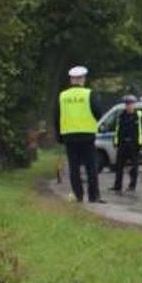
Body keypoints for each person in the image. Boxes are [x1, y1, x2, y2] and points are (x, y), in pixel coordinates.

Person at [55, 65, 105, 203]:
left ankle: (78, 195)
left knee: (74, 167)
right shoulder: (89, 94)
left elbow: (56, 117)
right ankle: (93, 196)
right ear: (82, 79)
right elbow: (98, 112)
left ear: (71, 80)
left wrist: (59, 137)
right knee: (91, 166)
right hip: (87, 135)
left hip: (69, 136)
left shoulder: (62, 96)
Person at [112, 94, 142, 194]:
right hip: (122, 144)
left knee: (134, 167)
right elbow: (117, 130)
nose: (129, 105)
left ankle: (132, 186)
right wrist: (115, 142)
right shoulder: (121, 116)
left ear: (134, 104)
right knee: (119, 166)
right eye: (127, 103)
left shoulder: (139, 115)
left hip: (134, 144)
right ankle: (117, 186)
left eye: (131, 103)